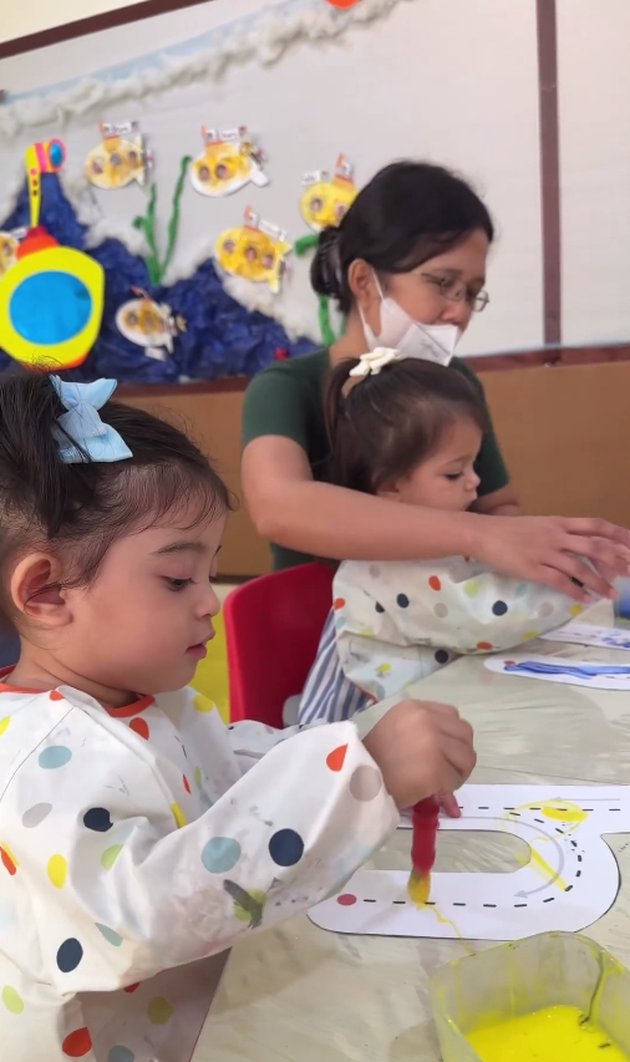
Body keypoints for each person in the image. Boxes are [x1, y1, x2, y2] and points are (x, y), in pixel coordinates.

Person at [0, 373, 476, 1061]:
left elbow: (221, 762)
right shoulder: (29, 760)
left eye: (211, 571)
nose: (210, 602)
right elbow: (147, 914)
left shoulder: (146, 697)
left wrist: (360, 750)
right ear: (45, 591)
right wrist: (359, 778)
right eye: (176, 579)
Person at [242, 160, 630, 596]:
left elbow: (497, 507)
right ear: (364, 281)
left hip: (438, 630)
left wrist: (536, 546)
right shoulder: (286, 388)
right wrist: (476, 536)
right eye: (444, 283)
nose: (460, 311)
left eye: (471, 293)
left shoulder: (454, 381)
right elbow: (279, 507)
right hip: (319, 643)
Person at [298, 350, 581, 722]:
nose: (476, 481)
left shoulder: (445, 540)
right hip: (357, 742)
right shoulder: (382, 565)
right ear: (390, 486)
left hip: (423, 719)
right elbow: (486, 619)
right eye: (454, 473)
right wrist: (587, 577)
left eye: (474, 464)